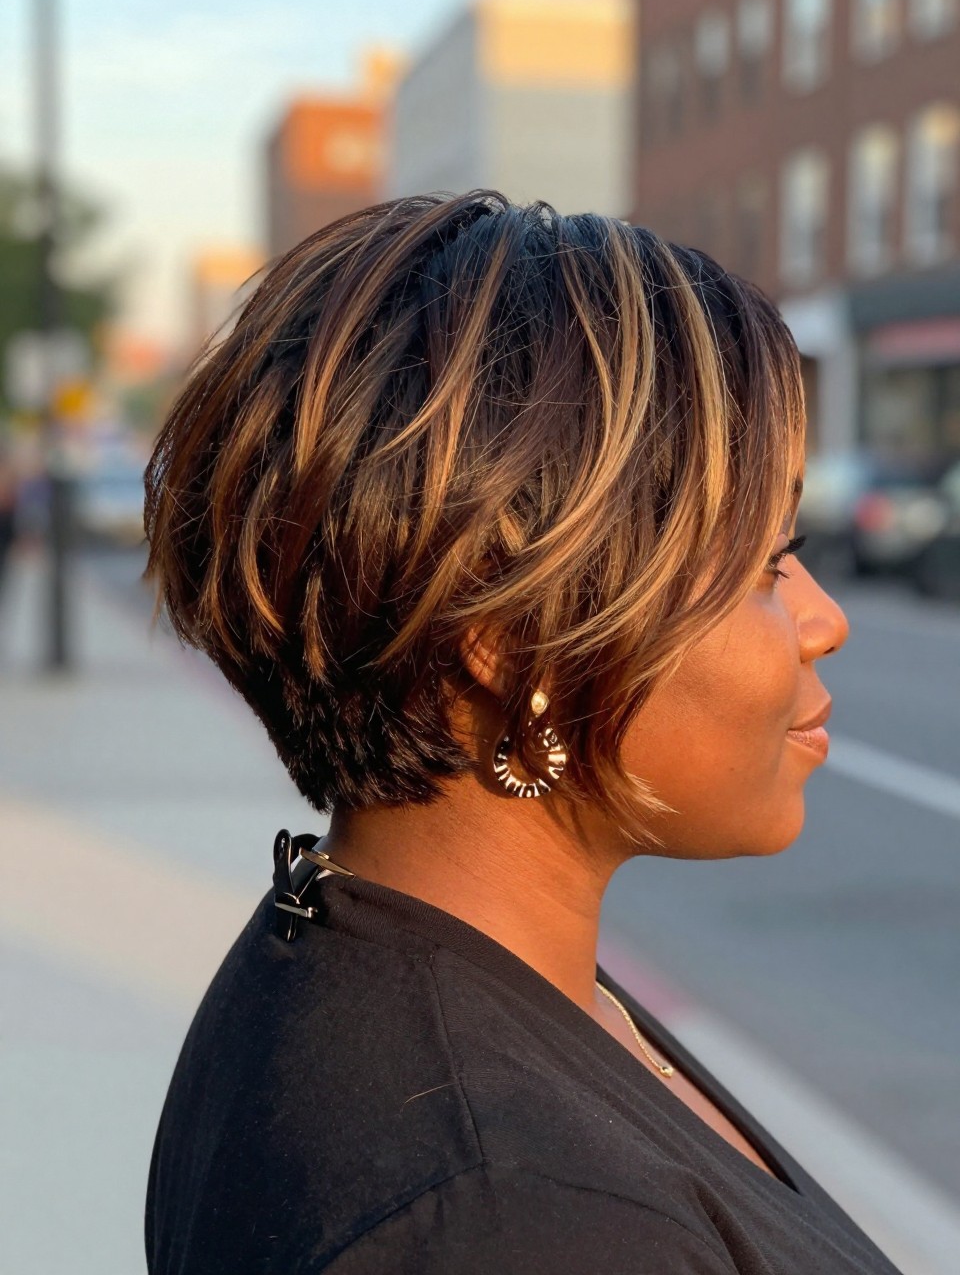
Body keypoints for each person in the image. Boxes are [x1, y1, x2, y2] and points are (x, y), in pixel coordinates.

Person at [142, 192, 897, 1274]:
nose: (826, 618)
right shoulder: (513, 1215)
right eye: (766, 564)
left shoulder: (397, 953)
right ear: (511, 641)